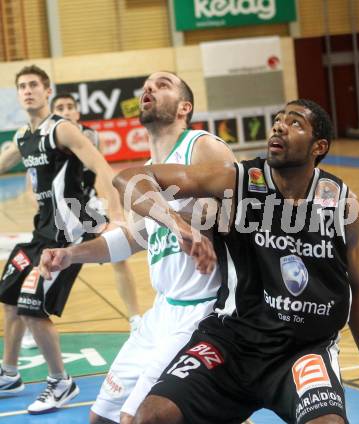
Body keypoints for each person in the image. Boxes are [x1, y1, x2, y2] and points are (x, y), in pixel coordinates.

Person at [112, 99, 359, 424]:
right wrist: (177, 224)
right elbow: (129, 178)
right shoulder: (238, 181)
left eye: (294, 123)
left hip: (302, 351)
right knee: (150, 417)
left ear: (318, 146)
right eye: (278, 119)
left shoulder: (340, 202)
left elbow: (357, 289)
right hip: (232, 342)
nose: (278, 125)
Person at [39, 71, 235, 424]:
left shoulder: (201, 145)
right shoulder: (143, 174)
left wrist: (197, 221)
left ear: (183, 107)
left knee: (137, 418)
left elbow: (237, 209)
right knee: (101, 417)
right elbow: (132, 238)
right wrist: (71, 255)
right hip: (162, 311)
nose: (150, 88)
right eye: (147, 86)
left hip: (205, 311)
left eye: (163, 85)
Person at [0, 65, 123, 414]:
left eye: (33, 85)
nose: (27, 91)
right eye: (21, 86)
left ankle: (61, 382)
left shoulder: (62, 130)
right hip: (41, 232)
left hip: (69, 234)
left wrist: (115, 217)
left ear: (47, 90)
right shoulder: (23, 137)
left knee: (31, 307)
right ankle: (9, 373)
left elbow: (102, 167)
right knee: (8, 294)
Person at [50, 92, 141, 328]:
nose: (67, 110)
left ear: (78, 112)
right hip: (60, 212)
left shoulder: (89, 135)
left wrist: (116, 212)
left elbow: (103, 173)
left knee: (119, 253)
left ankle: (135, 318)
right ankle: (35, 315)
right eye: (60, 107)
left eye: (71, 106)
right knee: (52, 263)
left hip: (87, 207)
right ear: (52, 114)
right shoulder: (46, 141)